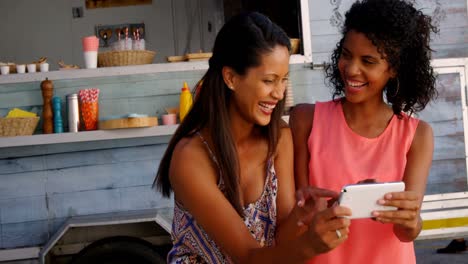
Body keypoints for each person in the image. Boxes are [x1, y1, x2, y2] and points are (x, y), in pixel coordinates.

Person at [153, 12, 351, 263]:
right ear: (231, 78)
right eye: (269, 81)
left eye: (283, 80)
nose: (279, 93)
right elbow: (247, 256)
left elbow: (280, 240)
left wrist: (304, 215)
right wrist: (310, 246)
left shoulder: (278, 137)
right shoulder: (191, 156)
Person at [289, 0, 438, 263]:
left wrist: (411, 219)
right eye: (346, 55)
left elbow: (406, 233)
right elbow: (298, 220)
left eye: (367, 61)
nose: (351, 69)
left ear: (393, 68)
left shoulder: (417, 135)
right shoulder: (305, 120)